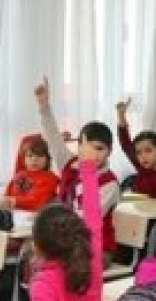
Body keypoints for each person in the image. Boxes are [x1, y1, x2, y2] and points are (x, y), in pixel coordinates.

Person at [0, 144, 104, 301]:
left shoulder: (44, 281)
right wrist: (88, 168)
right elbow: (93, 216)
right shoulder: (91, 258)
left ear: (36, 245)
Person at [36, 77, 121, 256]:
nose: (94, 153)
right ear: (79, 146)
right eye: (88, 147)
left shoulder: (110, 183)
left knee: (62, 262)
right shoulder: (70, 164)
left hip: (95, 248)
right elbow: (53, 138)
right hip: (64, 241)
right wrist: (44, 107)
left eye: (100, 149)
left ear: (109, 152)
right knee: (32, 255)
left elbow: (86, 219)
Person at [115, 97, 156, 200]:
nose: (143, 156)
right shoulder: (142, 166)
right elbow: (126, 144)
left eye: (148, 150)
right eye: (138, 152)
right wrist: (121, 115)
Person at [0, 135, 59, 212]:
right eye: (30, 156)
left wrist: (13, 201)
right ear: (24, 159)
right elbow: (8, 192)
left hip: (35, 214)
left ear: (47, 159)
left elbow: (36, 201)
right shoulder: (19, 174)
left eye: (40, 156)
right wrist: (5, 200)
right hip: (14, 211)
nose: (34, 159)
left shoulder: (49, 178)